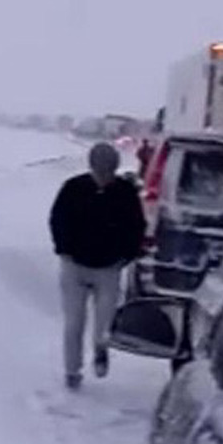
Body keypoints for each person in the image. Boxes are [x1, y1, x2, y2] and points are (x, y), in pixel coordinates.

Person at [49, 142, 147, 390]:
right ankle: (72, 371)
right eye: (100, 172)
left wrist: (128, 255)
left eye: (109, 173)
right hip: (74, 267)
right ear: (92, 167)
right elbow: (57, 219)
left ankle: (101, 350)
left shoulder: (125, 193)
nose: (104, 178)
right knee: (74, 323)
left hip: (108, 269)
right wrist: (63, 249)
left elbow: (137, 227)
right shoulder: (73, 188)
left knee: (105, 322)